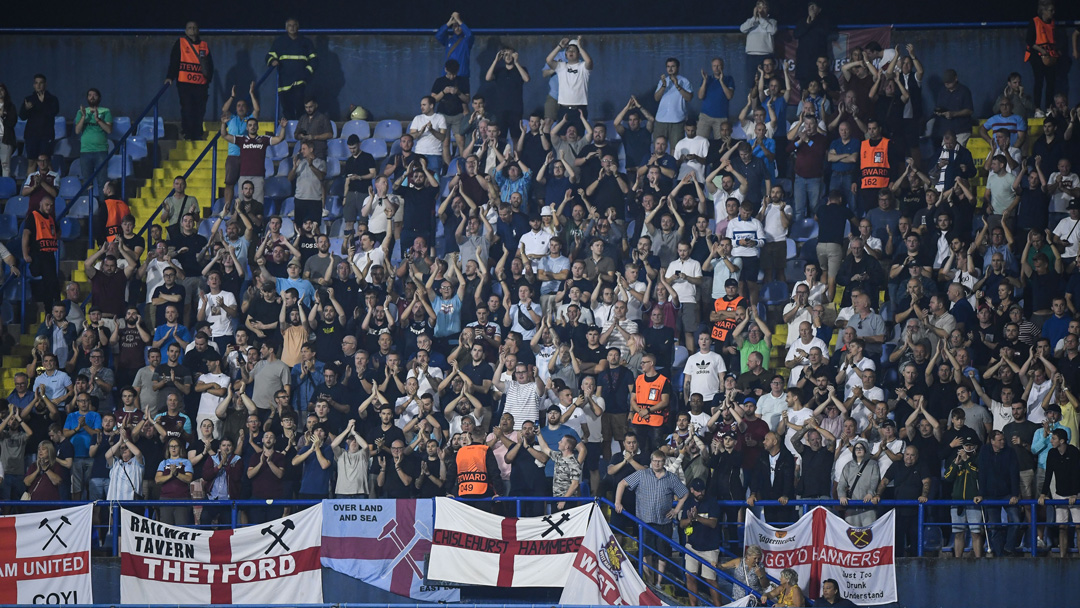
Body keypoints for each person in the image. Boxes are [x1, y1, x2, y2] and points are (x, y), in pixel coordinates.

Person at [614, 450, 689, 585]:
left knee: (662, 554)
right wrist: (617, 502)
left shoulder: (671, 478)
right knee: (646, 553)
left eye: (659, 461)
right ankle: (649, 582)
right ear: (651, 461)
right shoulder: (642, 474)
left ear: (664, 462)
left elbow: (684, 493)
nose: (656, 463)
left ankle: (659, 583)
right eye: (654, 460)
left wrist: (676, 510)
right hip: (645, 522)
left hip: (664, 521)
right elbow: (622, 483)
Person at [165, 21, 213, 141]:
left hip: (200, 84)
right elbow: (174, 62)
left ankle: (197, 134)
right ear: (186, 31)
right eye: (190, 28)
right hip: (185, 83)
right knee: (187, 109)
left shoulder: (204, 45)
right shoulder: (180, 43)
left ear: (198, 30)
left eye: (194, 28)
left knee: (200, 110)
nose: (192, 30)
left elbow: (210, 65)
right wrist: (170, 77)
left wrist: (208, 80)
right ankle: (188, 133)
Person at [678, 479, 722, 606]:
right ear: (692, 490)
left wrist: (697, 517)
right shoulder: (688, 502)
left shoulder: (712, 502)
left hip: (710, 547)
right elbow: (682, 524)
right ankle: (694, 606)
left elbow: (713, 523)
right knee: (690, 576)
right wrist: (690, 520)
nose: (700, 492)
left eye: (702, 490)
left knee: (710, 579)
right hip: (692, 546)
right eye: (697, 490)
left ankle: (718, 606)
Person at [1038, 428, 1079, 557]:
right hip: (1059, 493)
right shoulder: (1052, 453)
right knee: (1062, 527)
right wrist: (1043, 493)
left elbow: (1077, 474)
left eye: (1054, 439)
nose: (1051, 441)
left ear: (1062, 441)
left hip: (1075, 494)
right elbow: (1048, 474)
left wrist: (1075, 493)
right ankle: (1062, 557)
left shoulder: (1073, 451)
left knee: (1079, 526)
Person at [266, 18, 317, 120]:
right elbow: (269, 56)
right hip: (284, 82)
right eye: (289, 25)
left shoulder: (306, 42)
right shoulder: (279, 42)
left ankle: (301, 131)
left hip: (300, 81)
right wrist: (272, 61)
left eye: (294, 25)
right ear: (286, 28)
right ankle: (289, 132)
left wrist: (306, 72)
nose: (292, 27)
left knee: (300, 107)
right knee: (287, 109)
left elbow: (314, 60)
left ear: (297, 27)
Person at [747, 431, 796, 524]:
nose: (763, 442)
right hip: (768, 499)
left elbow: (788, 477)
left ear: (774, 442)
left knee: (784, 528)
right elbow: (756, 476)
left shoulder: (787, 456)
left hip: (784, 502)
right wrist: (753, 494)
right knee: (770, 528)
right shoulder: (762, 456)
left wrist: (785, 495)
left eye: (767, 440)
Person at [22, 195, 60, 309]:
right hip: (38, 255)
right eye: (47, 205)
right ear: (41, 204)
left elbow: (57, 232)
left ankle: (53, 308)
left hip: (49, 254)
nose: (49, 208)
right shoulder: (33, 216)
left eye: (51, 206)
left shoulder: (51, 218)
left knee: (53, 283)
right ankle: (51, 309)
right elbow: (25, 235)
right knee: (50, 282)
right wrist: (25, 254)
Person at [74, 87, 112, 197]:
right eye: (90, 95)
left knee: (102, 183)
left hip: (101, 151)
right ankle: (88, 209)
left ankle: (102, 209)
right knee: (87, 183)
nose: (92, 97)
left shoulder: (105, 111)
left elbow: (109, 130)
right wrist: (84, 117)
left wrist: (98, 119)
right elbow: (77, 130)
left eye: (94, 95)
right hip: (85, 151)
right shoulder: (81, 112)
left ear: (99, 97)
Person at [18, 74, 60, 175]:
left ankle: (51, 187)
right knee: (32, 162)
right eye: (36, 83)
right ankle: (31, 187)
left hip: (46, 136)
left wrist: (42, 103)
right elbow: (22, 116)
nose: (38, 85)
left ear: (45, 84)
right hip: (31, 136)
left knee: (46, 162)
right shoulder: (29, 99)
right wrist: (26, 109)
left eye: (41, 83)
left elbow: (52, 113)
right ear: (33, 85)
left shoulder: (52, 99)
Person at [1026, 2, 1061, 112]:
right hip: (1037, 55)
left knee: (1051, 81)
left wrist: (1056, 51)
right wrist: (1042, 51)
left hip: (1050, 55)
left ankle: (1049, 107)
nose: (1053, 13)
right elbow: (1029, 41)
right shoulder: (1035, 22)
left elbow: (1053, 39)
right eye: (1050, 10)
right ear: (1044, 11)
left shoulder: (1052, 23)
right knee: (1039, 81)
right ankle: (1037, 108)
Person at [546, 37, 593, 118]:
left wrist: (580, 47)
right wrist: (560, 46)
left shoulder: (583, 67)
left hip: (580, 109)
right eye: (569, 50)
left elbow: (589, 61)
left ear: (579, 54)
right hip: (563, 108)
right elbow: (549, 60)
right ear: (566, 54)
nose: (571, 52)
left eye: (574, 50)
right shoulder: (561, 66)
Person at [289, 141, 327, 227]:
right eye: (301, 149)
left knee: (315, 227)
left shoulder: (320, 162)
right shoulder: (300, 163)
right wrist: (294, 168)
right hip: (300, 199)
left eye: (304, 149)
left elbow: (321, 177)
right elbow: (289, 178)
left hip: (315, 200)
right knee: (299, 226)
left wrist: (311, 165)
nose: (302, 151)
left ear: (311, 149)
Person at [435, 12, 474, 90]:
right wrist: (449, 23)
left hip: (462, 75)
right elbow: (438, 36)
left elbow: (469, 34)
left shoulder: (466, 41)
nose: (457, 28)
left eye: (459, 26)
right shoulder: (449, 40)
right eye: (455, 26)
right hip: (448, 75)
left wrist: (458, 20)